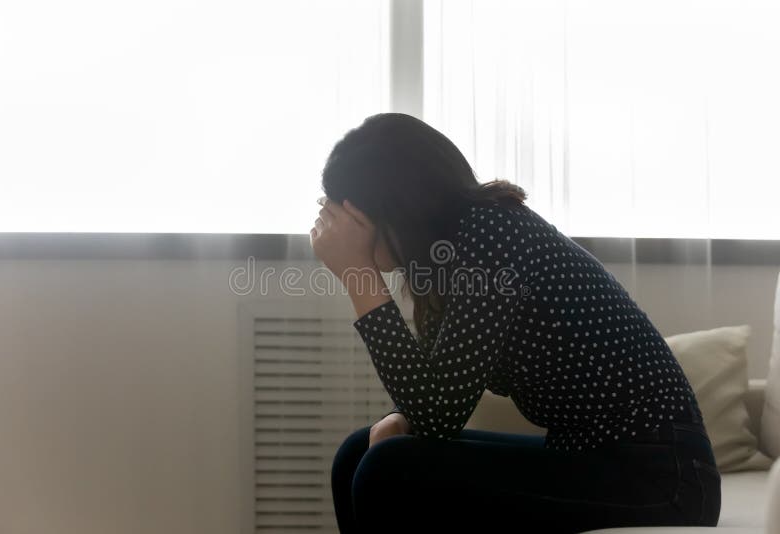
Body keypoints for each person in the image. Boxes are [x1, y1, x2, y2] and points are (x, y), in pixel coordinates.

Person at [309, 113, 721, 534]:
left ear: (393, 209)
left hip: (663, 476)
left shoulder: (491, 233)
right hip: (593, 455)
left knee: (387, 467)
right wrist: (401, 416)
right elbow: (442, 384)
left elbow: (438, 416)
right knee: (358, 453)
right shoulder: (454, 249)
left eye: (352, 222)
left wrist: (358, 271)